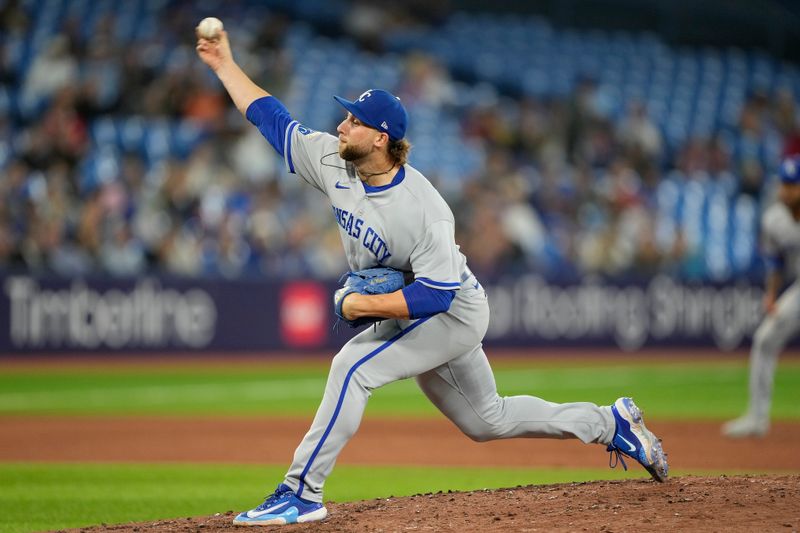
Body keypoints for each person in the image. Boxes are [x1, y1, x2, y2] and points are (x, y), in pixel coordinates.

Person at [195, 26, 669, 526]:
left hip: (452, 312)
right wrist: (224, 63)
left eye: (353, 120)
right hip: (414, 307)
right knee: (490, 420)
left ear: (380, 138)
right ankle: (609, 422)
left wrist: (364, 306)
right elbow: (271, 118)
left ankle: (300, 492)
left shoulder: (424, 208)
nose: (340, 125)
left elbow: (436, 294)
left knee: (352, 369)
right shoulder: (332, 160)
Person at [723, 155, 800, 438]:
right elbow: (777, 261)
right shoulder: (774, 218)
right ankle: (757, 418)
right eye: (785, 184)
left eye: (794, 185)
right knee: (764, 340)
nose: (788, 191)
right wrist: (771, 294)